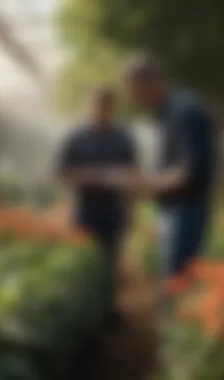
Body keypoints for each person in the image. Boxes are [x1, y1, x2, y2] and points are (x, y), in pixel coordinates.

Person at [58, 86, 140, 379]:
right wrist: (91, 175)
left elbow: (133, 174)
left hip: (112, 210)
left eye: (106, 107)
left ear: (112, 108)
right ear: (89, 107)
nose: (100, 111)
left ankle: (108, 311)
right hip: (85, 211)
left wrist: (131, 209)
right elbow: (62, 171)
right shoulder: (77, 138)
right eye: (96, 106)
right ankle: (89, 320)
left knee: (111, 260)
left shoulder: (122, 138)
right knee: (86, 265)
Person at [124, 54, 216, 282]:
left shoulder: (185, 112)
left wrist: (146, 183)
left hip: (186, 209)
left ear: (150, 82)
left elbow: (187, 172)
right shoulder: (166, 113)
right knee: (172, 277)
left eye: (136, 91)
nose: (135, 98)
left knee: (178, 279)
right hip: (172, 208)